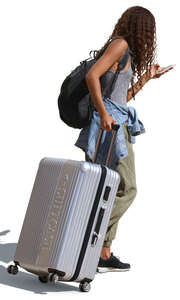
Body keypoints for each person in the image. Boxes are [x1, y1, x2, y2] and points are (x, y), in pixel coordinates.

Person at [74, 6, 174, 273]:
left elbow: (122, 97)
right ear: (141, 28)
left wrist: (147, 79)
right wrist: (105, 114)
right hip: (110, 128)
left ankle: (103, 253)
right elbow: (91, 76)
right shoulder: (120, 45)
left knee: (109, 185)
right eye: (149, 31)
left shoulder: (123, 49)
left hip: (116, 121)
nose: (150, 37)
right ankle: (87, 230)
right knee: (127, 188)